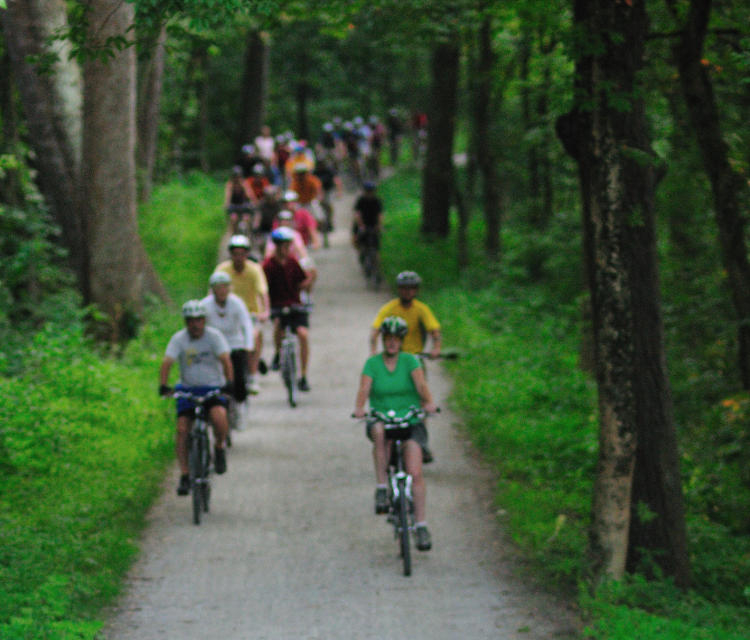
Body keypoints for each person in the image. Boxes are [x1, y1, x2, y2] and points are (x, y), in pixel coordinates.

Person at [353, 316, 438, 551]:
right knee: (380, 432)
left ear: (401, 341)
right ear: (382, 340)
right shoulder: (372, 364)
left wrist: (429, 403)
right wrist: (360, 409)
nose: (391, 343)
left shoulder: (411, 361)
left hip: (409, 420)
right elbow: (364, 388)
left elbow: (421, 386)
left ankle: (421, 525)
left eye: (395, 339)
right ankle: (382, 488)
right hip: (384, 420)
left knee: (415, 471)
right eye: (387, 339)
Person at [159, 300, 234, 496]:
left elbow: (226, 360)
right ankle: (185, 474)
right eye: (191, 321)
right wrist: (163, 385)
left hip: (211, 388)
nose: (195, 324)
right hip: (188, 390)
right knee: (182, 429)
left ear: (204, 320)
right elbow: (167, 362)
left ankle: (219, 447)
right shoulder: (179, 339)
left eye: (199, 320)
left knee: (219, 417)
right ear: (186, 322)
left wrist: (229, 383)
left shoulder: (214, 337)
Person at [369, 270, 441, 462]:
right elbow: (376, 329)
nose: (407, 292)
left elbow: (434, 330)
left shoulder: (421, 309)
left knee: (420, 399)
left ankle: (421, 442)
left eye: (411, 288)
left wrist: (436, 348)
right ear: (398, 289)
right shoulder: (390, 308)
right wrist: (373, 349)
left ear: (416, 290)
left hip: (415, 360)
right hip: (393, 359)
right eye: (404, 288)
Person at [216, 235, 270, 395]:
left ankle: (253, 374)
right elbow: (212, 290)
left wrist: (265, 310)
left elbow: (262, 292)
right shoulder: (222, 270)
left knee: (254, 336)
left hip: (251, 312)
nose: (238, 257)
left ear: (247, 254)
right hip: (229, 314)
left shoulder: (254, 269)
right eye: (235, 253)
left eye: (242, 253)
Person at [263, 227, 315, 392]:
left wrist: (310, 280)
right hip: (277, 304)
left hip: (294, 304)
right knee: (279, 324)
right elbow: (263, 287)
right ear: (277, 247)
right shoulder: (268, 265)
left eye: (288, 246)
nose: (286, 249)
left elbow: (302, 282)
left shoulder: (293, 262)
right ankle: (278, 354)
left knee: (303, 334)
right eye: (283, 246)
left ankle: (304, 375)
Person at [202, 271, 255, 428]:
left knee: (238, 378)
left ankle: (239, 407)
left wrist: (248, 345)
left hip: (234, 344)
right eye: (218, 288)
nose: (222, 291)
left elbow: (246, 323)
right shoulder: (205, 305)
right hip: (215, 347)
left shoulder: (237, 303)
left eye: (225, 287)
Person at [352, 181, 383, 257]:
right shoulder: (361, 200)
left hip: (373, 223)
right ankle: (360, 251)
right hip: (362, 223)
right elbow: (357, 213)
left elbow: (380, 214)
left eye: (371, 191)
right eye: (368, 191)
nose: (369, 193)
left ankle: (376, 259)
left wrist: (379, 225)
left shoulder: (377, 201)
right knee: (356, 237)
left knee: (377, 240)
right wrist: (361, 224)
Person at [224, 165, 254, 233]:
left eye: (238, 176)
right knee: (233, 219)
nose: (237, 178)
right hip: (234, 205)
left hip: (243, 205)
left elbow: (249, 195)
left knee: (246, 218)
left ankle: (248, 234)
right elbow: (228, 196)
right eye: (235, 176)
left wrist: (252, 202)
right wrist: (227, 204)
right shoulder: (230, 184)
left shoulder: (244, 183)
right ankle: (234, 232)